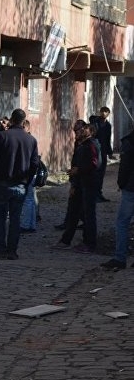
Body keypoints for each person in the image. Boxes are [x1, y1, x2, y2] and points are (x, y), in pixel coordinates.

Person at [0, 108, 39, 260]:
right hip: (20, 184)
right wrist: (27, 180)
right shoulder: (31, 140)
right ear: (23, 121)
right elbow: (35, 163)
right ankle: (12, 250)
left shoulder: (2, 136)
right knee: (15, 219)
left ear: (12, 120)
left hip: (2, 182)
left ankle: (0, 247)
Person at [49, 123, 100, 253]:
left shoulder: (92, 145)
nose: (81, 130)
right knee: (73, 212)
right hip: (79, 184)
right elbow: (76, 165)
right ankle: (66, 240)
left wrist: (79, 171)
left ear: (91, 132)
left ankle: (89, 243)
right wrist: (74, 182)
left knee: (89, 215)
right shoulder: (81, 145)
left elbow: (94, 164)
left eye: (85, 128)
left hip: (88, 184)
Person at [101, 128, 134, 270]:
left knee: (122, 223)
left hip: (131, 188)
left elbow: (125, 166)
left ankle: (120, 258)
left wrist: (121, 183)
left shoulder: (130, 142)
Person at [90, 106, 115, 202]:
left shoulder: (108, 126)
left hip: (103, 151)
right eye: (102, 111)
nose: (104, 113)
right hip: (94, 151)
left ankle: (99, 193)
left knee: (101, 173)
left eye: (106, 112)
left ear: (108, 114)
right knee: (94, 172)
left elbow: (108, 140)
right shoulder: (94, 122)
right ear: (100, 112)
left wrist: (110, 152)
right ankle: (93, 194)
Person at [19, 120, 38, 233]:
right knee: (30, 199)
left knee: (27, 200)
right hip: (30, 172)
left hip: (28, 172)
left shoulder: (28, 141)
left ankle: (26, 224)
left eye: (23, 127)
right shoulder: (31, 140)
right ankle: (31, 224)